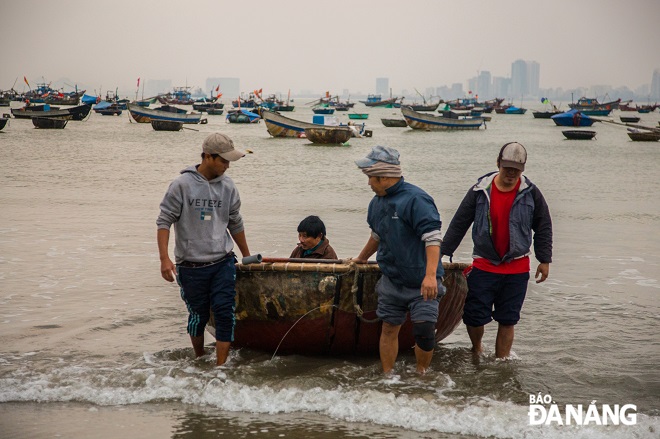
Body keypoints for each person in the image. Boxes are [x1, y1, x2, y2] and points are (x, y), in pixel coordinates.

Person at [440, 142, 552, 359]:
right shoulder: (480, 190)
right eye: (507, 168)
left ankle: (501, 362)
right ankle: (477, 348)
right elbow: (460, 221)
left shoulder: (531, 193)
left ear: (523, 169)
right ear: (498, 163)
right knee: (473, 316)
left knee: (508, 319)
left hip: (517, 266)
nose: (511, 174)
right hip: (484, 263)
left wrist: (544, 259)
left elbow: (543, 225)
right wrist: (443, 252)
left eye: (516, 170)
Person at [157, 132, 251, 366]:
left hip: (223, 261)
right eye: (223, 160)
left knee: (224, 313)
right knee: (198, 316)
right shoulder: (181, 185)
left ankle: (221, 368)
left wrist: (247, 255)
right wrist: (164, 259)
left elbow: (235, 222)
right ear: (207, 157)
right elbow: (164, 221)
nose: (227, 166)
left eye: (230, 161)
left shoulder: (228, 187)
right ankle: (199, 359)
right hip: (189, 265)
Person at [353, 145, 445, 374]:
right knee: (389, 327)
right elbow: (377, 234)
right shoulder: (376, 203)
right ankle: (387, 376)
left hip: (421, 281)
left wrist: (431, 276)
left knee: (424, 330)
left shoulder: (417, 199)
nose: (369, 184)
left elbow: (433, 238)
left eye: (371, 178)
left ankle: (421, 375)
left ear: (385, 177)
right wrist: (361, 259)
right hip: (392, 279)